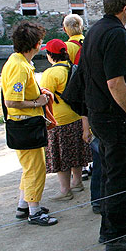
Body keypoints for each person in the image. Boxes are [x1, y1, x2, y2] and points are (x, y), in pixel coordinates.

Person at [82, 0, 126, 251]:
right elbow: (115, 82)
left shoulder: (95, 30)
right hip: (116, 118)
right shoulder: (117, 35)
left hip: (100, 114)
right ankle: (116, 234)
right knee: (120, 175)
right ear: (125, 8)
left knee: (112, 174)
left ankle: (113, 227)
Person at [1, 20, 57, 226]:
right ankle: (34, 211)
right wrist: (37, 102)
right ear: (36, 44)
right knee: (36, 169)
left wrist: (37, 94)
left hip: (22, 124)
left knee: (29, 167)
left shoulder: (17, 62)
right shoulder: (20, 67)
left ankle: (23, 206)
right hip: (25, 125)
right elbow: (11, 100)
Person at [40, 39, 91, 201]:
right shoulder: (74, 68)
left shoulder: (51, 73)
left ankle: (65, 190)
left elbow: (45, 97)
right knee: (75, 152)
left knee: (61, 156)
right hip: (77, 116)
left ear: (50, 55)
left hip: (59, 121)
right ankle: (77, 182)